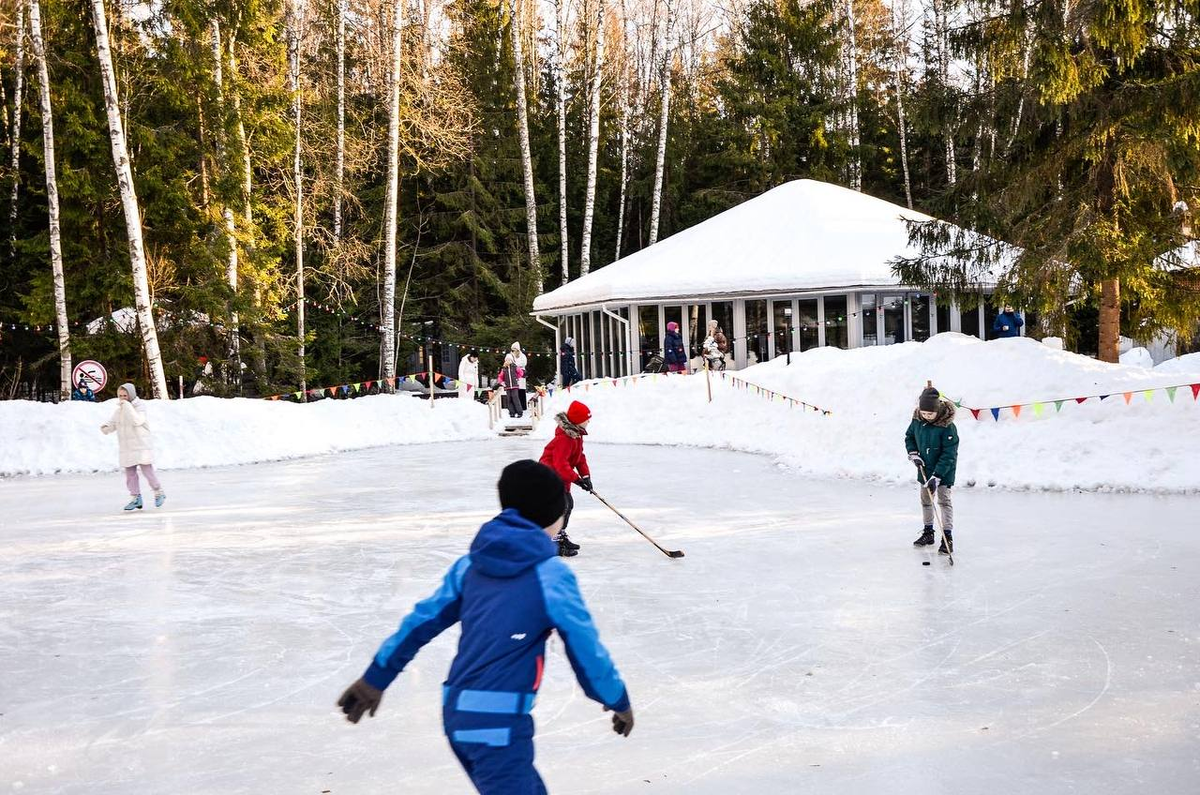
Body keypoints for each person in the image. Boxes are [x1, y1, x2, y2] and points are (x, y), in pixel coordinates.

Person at [336, 460, 633, 794]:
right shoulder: (551, 576)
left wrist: (376, 677)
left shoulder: (470, 565)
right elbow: (586, 650)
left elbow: (419, 623)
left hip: (457, 715)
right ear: (553, 517)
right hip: (500, 727)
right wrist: (617, 697)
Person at [905, 383, 958, 554]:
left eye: (930, 413)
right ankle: (928, 532)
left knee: (943, 502)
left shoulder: (947, 427)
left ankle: (947, 536)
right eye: (924, 413)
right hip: (924, 469)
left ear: (938, 410)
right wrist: (914, 454)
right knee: (926, 501)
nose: (927, 416)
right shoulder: (917, 421)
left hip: (944, 472)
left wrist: (937, 476)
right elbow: (909, 437)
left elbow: (949, 454)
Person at [100, 382, 166, 511]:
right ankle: (136, 498)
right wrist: (106, 428)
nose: (122, 398)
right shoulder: (119, 410)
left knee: (148, 472)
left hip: (141, 446)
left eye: (125, 395)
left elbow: (137, 420)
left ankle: (159, 492)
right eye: (120, 396)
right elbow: (113, 423)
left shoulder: (139, 407)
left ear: (131, 395)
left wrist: (127, 406)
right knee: (130, 475)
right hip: (127, 447)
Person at [539, 400, 593, 557]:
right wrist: (577, 480)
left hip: (562, 477)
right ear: (577, 420)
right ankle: (551, 539)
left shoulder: (576, 435)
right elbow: (560, 464)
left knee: (568, 505)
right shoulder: (565, 439)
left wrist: (586, 476)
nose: (589, 421)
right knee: (560, 507)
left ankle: (559, 533)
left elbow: (579, 457)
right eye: (586, 418)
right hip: (550, 477)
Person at [510, 342, 529, 415]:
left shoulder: (522, 356)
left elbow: (523, 363)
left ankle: (523, 406)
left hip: (521, 374)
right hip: (514, 374)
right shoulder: (511, 355)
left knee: (521, 390)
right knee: (515, 391)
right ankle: (516, 406)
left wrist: (516, 365)